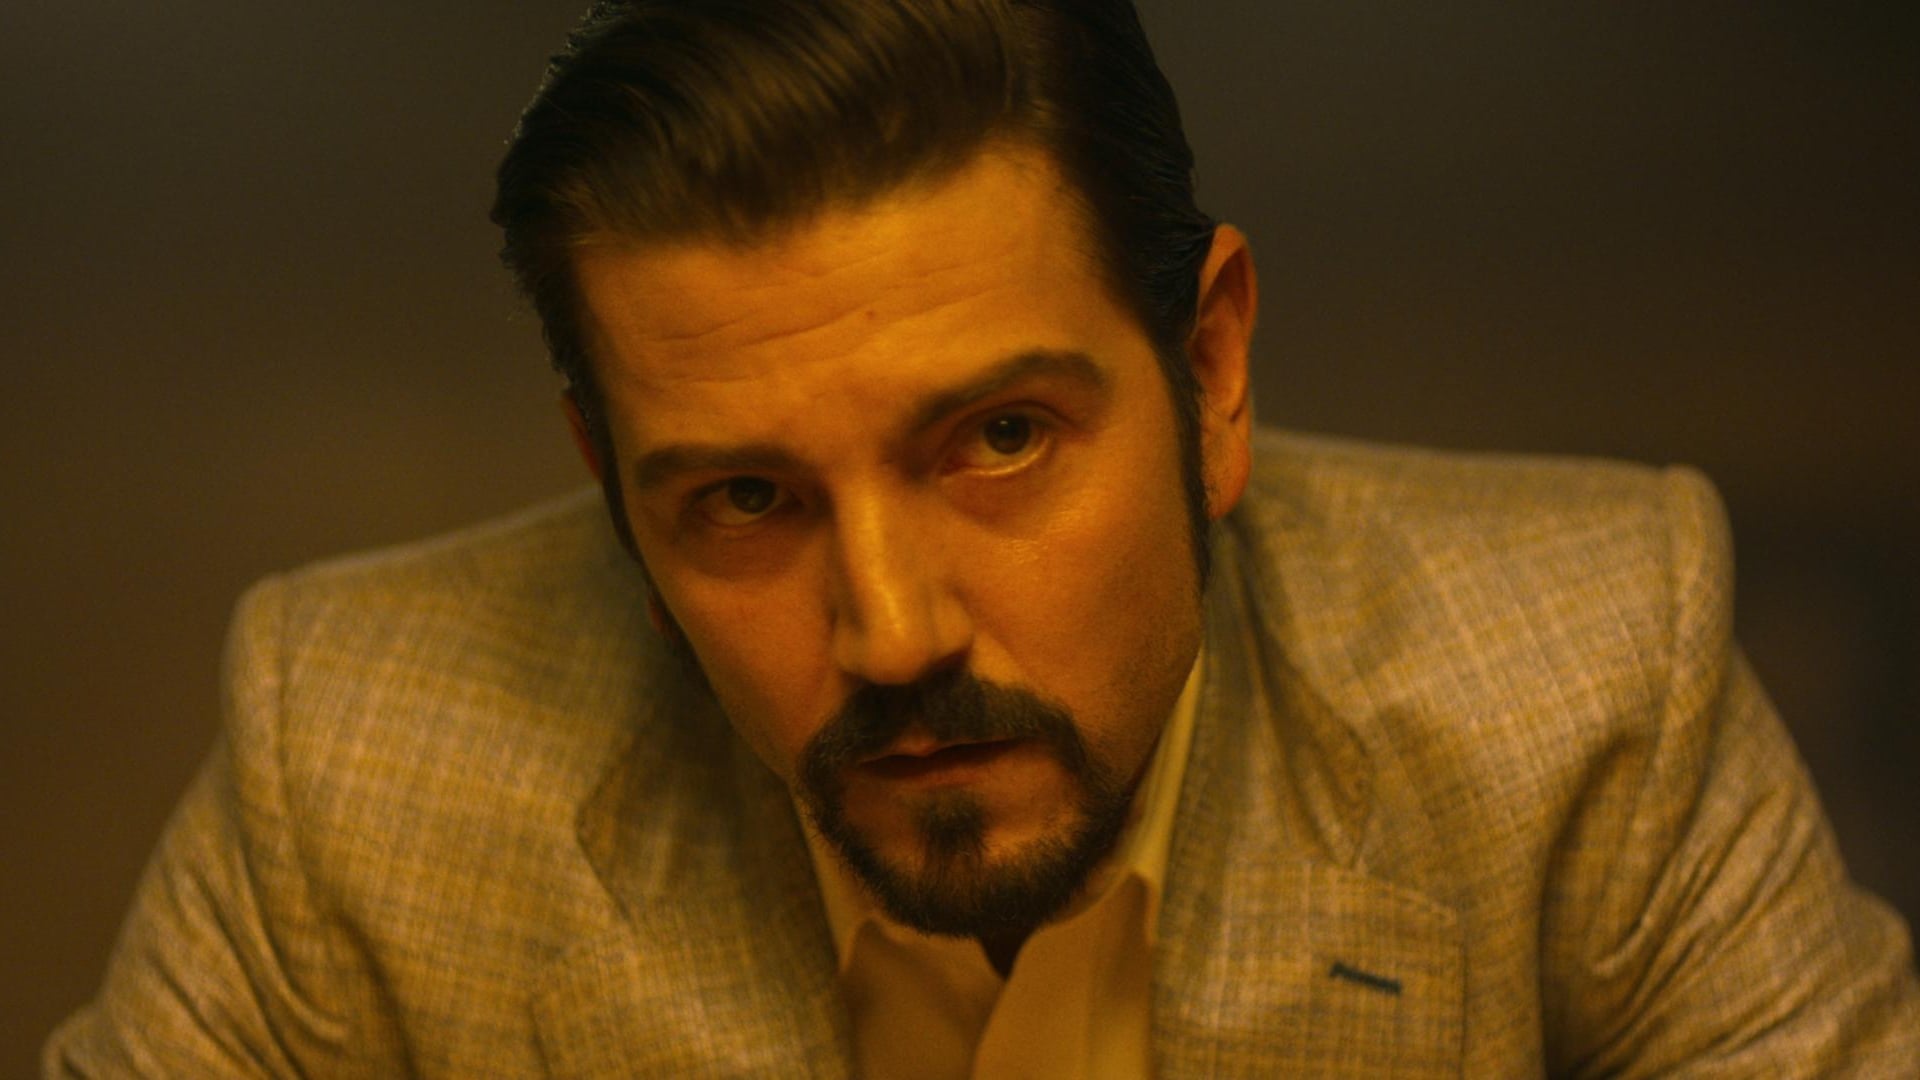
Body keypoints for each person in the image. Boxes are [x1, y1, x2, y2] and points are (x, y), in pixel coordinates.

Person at [47, 0, 1920, 1075]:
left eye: (1001, 441)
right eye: (744, 500)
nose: (891, 632)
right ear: (611, 487)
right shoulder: (357, 755)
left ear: (1210, 371)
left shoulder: (1583, 677)